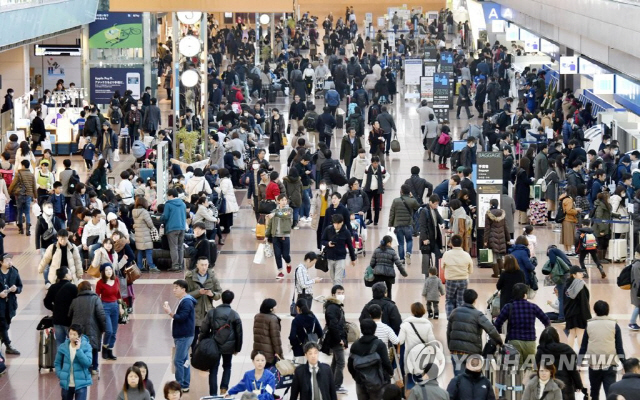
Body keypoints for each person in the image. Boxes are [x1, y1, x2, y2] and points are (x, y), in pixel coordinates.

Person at [447, 289, 503, 376]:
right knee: (473, 377)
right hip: (472, 352)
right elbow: (491, 329)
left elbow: (449, 332)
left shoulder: (454, 312)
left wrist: (450, 347)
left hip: (456, 351)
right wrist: (500, 341)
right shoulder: (477, 314)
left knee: (459, 378)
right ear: (474, 300)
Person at [199, 290, 243, 396]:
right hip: (229, 346)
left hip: (214, 345)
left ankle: (213, 394)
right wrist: (237, 348)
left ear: (222, 298)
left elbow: (204, 329)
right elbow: (239, 333)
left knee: (213, 369)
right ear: (232, 300)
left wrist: (201, 343)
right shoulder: (234, 314)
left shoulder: (212, 312)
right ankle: (223, 389)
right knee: (227, 366)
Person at [494, 283, 551, 365]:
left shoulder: (508, 307)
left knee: (516, 370)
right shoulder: (533, 307)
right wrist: (545, 337)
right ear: (525, 295)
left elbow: (497, 323)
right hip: (530, 343)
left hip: (514, 342)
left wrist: (500, 336)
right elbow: (547, 321)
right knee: (529, 370)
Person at [579, 300, 626, 400]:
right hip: (610, 364)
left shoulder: (589, 325)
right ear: (608, 311)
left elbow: (583, 346)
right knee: (610, 392)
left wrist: (579, 363)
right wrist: (624, 364)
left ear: (595, 311)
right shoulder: (614, 325)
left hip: (594, 364)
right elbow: (619, 347)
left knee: (594, 392)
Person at [162, 279, 196, 392]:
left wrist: (169, 312)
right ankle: (185, 384)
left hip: (184, 336)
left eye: (176, 288)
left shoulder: (186, 302)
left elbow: (181, 317)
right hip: (183, 335)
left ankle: (179, 385)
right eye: (173, 288)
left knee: (178, 361)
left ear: (183, 289)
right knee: (185, 360)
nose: (174, 290)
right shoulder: (184, 300)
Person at [348, 319, 393, 400]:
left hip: (360, 381)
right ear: (374, 329)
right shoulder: (379, 344)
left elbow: (350, 365)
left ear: (361, 330)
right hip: (377, 382)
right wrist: (390, 373)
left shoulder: (355, 345)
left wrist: (356, 377)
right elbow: (386, 362)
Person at [68, 281, 106, 377]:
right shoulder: (95, 299)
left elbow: (69, 315)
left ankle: (83, 367)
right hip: (93, 327)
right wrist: (103, 327)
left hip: (78, 329)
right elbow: (101, 315)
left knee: (80, 347)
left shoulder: (74, 300)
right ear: (90, 288)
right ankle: (94, 367)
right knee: (93, 347)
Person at [536, 326, 584, 400]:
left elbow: (537, 370)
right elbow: (573, 371)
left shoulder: (541, 351)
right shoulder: (566, 349)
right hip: (565, 387)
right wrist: (579, 385)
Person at [185, 256, 222, 353]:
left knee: (207, 334)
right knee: (194, 334)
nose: (204, 267)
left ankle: (206, 353)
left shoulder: (212, 277)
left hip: (207, 310)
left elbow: (219, 293)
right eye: (202, 265)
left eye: (206, 265)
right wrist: (198, 292)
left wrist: (212, 294)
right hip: (195, 310)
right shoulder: (189, 277)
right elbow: (185, 295)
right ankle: (194, 353)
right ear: (197, 265)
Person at [54, 324, 93, 400]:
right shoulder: (63, 346)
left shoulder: (86, 346)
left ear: (79, 335)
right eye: (70, 334)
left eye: (74, 334)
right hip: (66, 384)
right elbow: (57, 362)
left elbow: (88, 363)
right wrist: (60, 374)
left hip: (81, 384)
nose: (71, 336)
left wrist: (78, 350)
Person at [321, 285, 348, 394]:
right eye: (338, 293)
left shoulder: (336, 306)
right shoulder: (332, 307)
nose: (341, 295)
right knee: (341, 362)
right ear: (333, 294)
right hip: (336, 338)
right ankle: (336, 385)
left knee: (335, 362)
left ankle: (330, 382)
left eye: (342, 292)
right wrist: (339, 339)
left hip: (337, 337)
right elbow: (333, 325)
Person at [44, 267, 78, 348]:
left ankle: (60, 359)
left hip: (57, 319)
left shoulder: (53, 287)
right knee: (72, 343)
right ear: (66, 275)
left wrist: (54, 309)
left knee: (59, 342)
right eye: (69, 273)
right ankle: (69, 360)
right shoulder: (72, 287)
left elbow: (46, 302)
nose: (71, 274)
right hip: (69, 320)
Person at [442, 234, 473, 317]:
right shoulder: (466, 255)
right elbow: (471, 270)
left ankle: (450, 318)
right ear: (461, 243)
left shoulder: (447, 254)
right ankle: (459, 318)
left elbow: (442, 266)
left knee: (449, 300)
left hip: (450, 280)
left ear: (451, 243)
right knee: (461, 301)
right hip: (463, 280)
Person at [321, 214, 356, 286]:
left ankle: (337, 294)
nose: (336, 225)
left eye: (338, 223)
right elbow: (322, 240)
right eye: (335, 223)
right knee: (333, 278)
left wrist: (353, 259)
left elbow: (350, 246)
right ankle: (336, 292)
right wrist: (328, 243)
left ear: (342, 222)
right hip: (330, 257)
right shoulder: (328, 229)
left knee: (338, 279)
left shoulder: (346, 232)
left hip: (341, 258)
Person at [389, 184, 420, 264]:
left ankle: (402, 259)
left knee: (400, 242)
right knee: (409, 240)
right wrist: (412, 197)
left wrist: (390, 225)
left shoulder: (396, 201)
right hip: (408, 224)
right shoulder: (412, 200)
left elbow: (392, 213)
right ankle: (408, 253)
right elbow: (418, 206)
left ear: (401, 191)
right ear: (409, 192)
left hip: (398, 225)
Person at [370, 235, 408, 300]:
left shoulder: (377, 250)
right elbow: (398, 264)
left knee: (379, 289)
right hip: (389, 274)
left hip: (378, 274)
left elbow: (372, 264)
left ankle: (378, 302)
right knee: (389, 290)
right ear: (389, 243)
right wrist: (404, 273)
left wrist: (375, 267)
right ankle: (388, 303)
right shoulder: (392, 252)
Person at [0, 253, 22, 355]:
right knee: (3, 324)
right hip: (0, 304)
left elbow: (20, 286)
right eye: (7, 260)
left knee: (6, 324)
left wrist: (16, 289)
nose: (10, 262)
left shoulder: (14, 272)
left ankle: (3, 340)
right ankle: (8, 345)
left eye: (10, 260)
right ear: (1, 262)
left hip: (10, 305)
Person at [289, 298, 324, 363]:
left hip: (299, 350)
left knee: (299, 370)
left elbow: (292, 336)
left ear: (297, 308)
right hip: (311, 350)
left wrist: (295, 344)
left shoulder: (296, 320)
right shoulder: (313, 317)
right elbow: (320, 333)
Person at [564, 266, 591, 348]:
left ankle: (569, 353)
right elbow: (584, 301)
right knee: (580, 333)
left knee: (571, 333)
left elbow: (564, 300)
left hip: (569, 313)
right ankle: (581, 353)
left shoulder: (566, 285)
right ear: (574, 275)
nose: (582, 274)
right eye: (579, 273)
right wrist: (587, 315)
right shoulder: (580, 285)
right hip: (580, 313)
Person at [9, 159, 37, 235]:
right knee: (27, 212)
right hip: (28, 195)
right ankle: (28, 230)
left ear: (23, 165)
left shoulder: (19, 174)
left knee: (20, 212)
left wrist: (9, 192)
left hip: (19, 195)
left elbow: (13, 184)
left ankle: (21, 229)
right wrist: (35, 197)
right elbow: (34, 186)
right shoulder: (31, 174)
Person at [131, 197, 160, 272]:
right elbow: (150, 223)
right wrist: (153, 228)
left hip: (138, 234)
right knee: (148, 250)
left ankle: (140, 266)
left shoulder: (134, 211)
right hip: (145, 234)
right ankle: (151, 266)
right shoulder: (144, 212)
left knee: (140, 251)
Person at [252, 298, 283, 368]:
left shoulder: (257, 316)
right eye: (275, 306)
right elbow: (275, 339)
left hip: (258, 352)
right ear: (271, 309)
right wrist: (280, 354)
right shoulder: (273, 319)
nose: (276, 307)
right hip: (269, 354)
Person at [483, 198, 510, 277]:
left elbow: (487, 228)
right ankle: (502, 271)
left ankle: (496, 273)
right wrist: (508, 239)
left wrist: (485, 240)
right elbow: (506, 227)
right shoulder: (502, 213)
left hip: (492, 236)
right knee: (499, 255)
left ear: (491, 204)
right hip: (501, 236)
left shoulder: (488, 214)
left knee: (494, 255)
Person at [162, 189, 187, 272]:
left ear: (170, 195)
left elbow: (165, 217)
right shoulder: (183, 204)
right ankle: (180, 265)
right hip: (182, 227)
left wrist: (160, 218)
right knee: (180, 247)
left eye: (167, 195)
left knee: (174, 247)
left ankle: (175, 266)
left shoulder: (168, 204)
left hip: (172, 228)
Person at [310, 181, 331, 250]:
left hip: (327, 217)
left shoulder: (330, 194)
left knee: (327, 231)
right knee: (319, 232)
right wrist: (311, 212)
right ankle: (319, 246)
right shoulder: (317, 194)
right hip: (319, 216)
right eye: (321, 185)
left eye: (323, 185)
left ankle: (325, 246)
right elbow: (313, 204)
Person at [560, 185, 580, 255]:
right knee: (569, 236)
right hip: (569, 219)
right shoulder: (569, 200)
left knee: (565, 236)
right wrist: (576, 210)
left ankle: (566, 250)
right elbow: (569, 210)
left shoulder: (564, 198)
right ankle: (569, 251)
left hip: (565, 219)